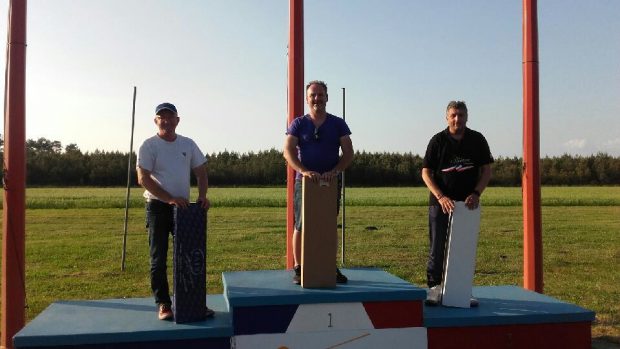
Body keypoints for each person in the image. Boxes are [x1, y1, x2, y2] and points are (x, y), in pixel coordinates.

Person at [137, 102, 213, 320]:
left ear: (178, 120)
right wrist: (169, 199)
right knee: (158, 259)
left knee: (191, 258)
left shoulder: (188, 144)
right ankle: (163, 304)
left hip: (185, 209)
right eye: (162, 117)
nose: (166, 121)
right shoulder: (148, 146)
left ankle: (194, 304)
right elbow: (143, 179)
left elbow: (201, 173)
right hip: (157, 208)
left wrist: (202, 196)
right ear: (155, 121)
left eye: (171, 117)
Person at [421, 100, 493, 306]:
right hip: (440, 203)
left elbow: (486, 171)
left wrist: (476, 193)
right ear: (447, 117)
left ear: (466, 117)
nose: (457, 119)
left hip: (466, 204)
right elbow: (426, 172)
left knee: (463, 247)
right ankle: (434, 288)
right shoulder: (437, 141)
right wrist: (441, 197)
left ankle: (461, 290)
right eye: (453, 115)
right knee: (437, 247)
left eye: (461, 115)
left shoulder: (477, 140)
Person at [283, 80, 354, 285]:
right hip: (304, 183)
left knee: (328, 224)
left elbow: (348, 153)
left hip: (330, 182)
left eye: (320, 95)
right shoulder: (298, 124)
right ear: (307, 99)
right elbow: (287, 151)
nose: (317, 99)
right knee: (301, 224)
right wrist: (304, 171)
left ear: (327, 98)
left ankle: (329, 267)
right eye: (313, 95)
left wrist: (335, 172)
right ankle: (299, 267)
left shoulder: (338, 123)